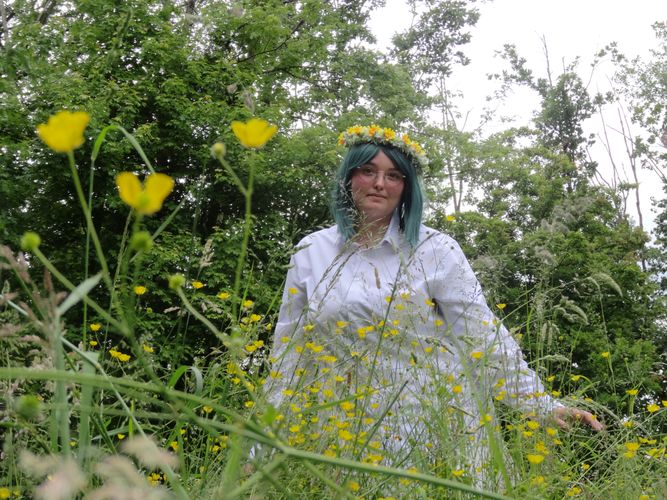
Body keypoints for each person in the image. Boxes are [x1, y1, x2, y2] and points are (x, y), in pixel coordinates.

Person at [265, 125, 602, 485]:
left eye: (393, 176)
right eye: (368, 171)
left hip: (435, 427)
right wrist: (265, 441)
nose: (379, 183)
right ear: (349, 177)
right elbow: (289, 348)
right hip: (344, 429)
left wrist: (541, 404)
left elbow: (482, 336)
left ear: (406, 187)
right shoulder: (311, 251)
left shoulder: (435, 250)